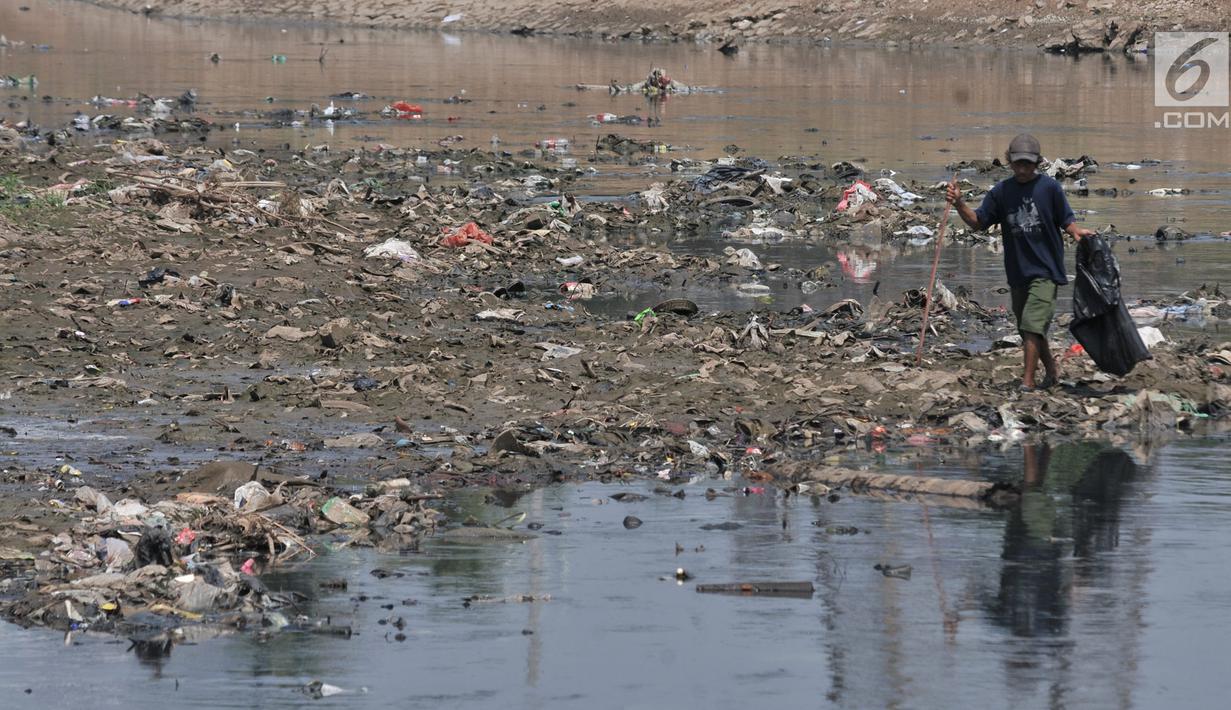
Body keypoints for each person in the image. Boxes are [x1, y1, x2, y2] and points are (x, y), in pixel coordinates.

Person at [946, 134, 1096, 391]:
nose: (1023, 169)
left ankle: (1027, 382)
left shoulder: (1049, 188)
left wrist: (1075, 231)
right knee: (1029, 328)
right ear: (1010, 163)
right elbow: (978, 222)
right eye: (1018, 164)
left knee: (1032, 325)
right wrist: (959, 203)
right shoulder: (1001, 192)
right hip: (1017, 273)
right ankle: (1051, 372)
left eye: (1028, 164)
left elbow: (1066, 219)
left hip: (1046, 271)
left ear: (1037, 162)